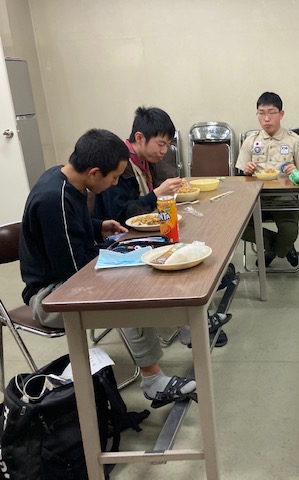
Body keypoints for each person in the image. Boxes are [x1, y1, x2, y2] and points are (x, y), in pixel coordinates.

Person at [20, 128, 196, 408]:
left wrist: (97, 226)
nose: (115, 183)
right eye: (113, 177)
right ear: (94, 173)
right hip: (51, 296)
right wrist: (119, 263)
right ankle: (153, 380)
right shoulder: (54, 199)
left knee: (140, 267)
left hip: (69, 278)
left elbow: (68, 230)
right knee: (125, 293)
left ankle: (184, 326)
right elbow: (73, 272)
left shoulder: (66, 179)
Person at [94, 106, 232, 349]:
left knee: (199, 249)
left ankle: (194, 319)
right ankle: (190, 327)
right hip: (121, 242)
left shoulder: (144, 161)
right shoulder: (121, 166)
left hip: (146, 233)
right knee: (183, 260)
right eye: (160, 144)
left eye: (168, 145)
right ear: (139, 138)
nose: (164, 151)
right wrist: (157, 193)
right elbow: (122, 216)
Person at [236, 91, 299, 267]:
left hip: (284, 198)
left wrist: (296, 172)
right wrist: (246, 172)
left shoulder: (294, 141)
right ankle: (281, 247)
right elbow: (241, 176)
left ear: (281, 114)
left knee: (289, 231)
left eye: (271, 113)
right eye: (261, 113)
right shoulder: (250, 141)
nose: (266, 118)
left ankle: (274, 249)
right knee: (237, 226)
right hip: (256, 198)